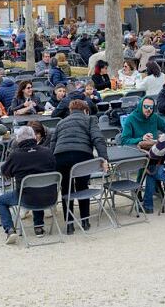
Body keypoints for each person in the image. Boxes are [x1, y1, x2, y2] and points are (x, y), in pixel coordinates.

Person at [50, 100, 108, 234]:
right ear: (85, 110)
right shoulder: (90, 119)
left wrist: (51, 163)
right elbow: (98, 138)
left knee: (66, 189)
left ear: (70, 111)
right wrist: (103, 158)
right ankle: (85, 221)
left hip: (61, 156)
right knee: (82, 186)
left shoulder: (60, 122)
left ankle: (69, 224)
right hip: (82, 155)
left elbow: (53, 144)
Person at [0, 126, 56, 244]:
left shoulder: (16, 155)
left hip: (26, 198)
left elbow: (5, 172)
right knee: (38, 186)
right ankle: (38, 227)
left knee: (1, 200)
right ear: (34, 137)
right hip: (50, 197)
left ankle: (9, 230)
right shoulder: (47, 152)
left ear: (18, 140)